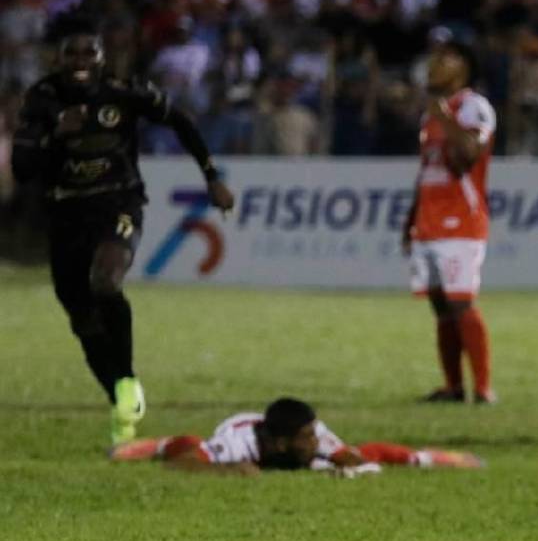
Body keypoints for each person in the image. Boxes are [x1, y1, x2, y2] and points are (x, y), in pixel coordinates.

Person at [11, 25, 235, 444]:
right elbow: (22, 168)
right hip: (65, 215)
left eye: (88, 52)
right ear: (58, 59)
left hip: (118, 204)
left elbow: (181, 121)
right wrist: (55, 134)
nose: (80, 61)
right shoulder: (43, 100)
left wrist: (211, 177)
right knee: (83, 320)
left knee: (106, 282)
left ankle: (127, 380)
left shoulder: (123, 92)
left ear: (101, 57)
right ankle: (119, 398)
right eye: (71, 53)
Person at [402, 40, 497, 404]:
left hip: (461, 220)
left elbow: (471, 153)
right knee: (440, 305)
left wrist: (445, 118)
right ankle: (453, 387)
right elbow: (427, 168)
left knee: (461, 302)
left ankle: (484, 388)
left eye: (445, 58)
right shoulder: (430, 114)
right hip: (429, 221)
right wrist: (410, 219)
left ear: (463, 68)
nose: (435, 63)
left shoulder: (473, 107)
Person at [109, 396, 484, 474]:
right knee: (189, 445)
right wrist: (228, 470)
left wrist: (353, 468)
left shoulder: (316, 437)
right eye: (306, 437)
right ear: (280, 443)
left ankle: (431, 456)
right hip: (240, 441)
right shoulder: (239, 441)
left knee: (366, 450)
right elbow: (182, 466)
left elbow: (353, 459)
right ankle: (153, 444)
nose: (315, 442)